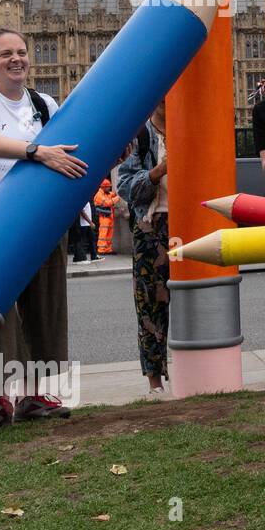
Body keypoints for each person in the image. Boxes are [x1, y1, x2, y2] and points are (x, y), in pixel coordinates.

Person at [0, 28, 86, 428]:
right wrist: (37, 150)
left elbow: (72, 152)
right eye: (6, 53)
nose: (17, 59)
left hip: (42, 216)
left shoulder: (45, 103)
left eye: (22, 52)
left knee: (46, 304)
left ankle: (36, 394)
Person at [116, 101, 171, 395]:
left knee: (196, 300)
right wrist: (157, 172)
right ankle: (155, 380)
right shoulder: (141, 134)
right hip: (152, 226)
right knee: (150, 303)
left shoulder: (194, 125)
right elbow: (123, 186)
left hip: (192, 223)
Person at [93, 179, 119, 254]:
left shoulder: (106, 193)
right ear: (103, 187)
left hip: (109, 216)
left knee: (109, 234)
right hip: (103, 216)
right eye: (108, 187)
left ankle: (108, 249)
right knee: (103, 233)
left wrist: (116, 193)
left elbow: (111, 194)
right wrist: (115, 199)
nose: (109, 188)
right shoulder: (99, 195)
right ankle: (101, 250)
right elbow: (107, 203)